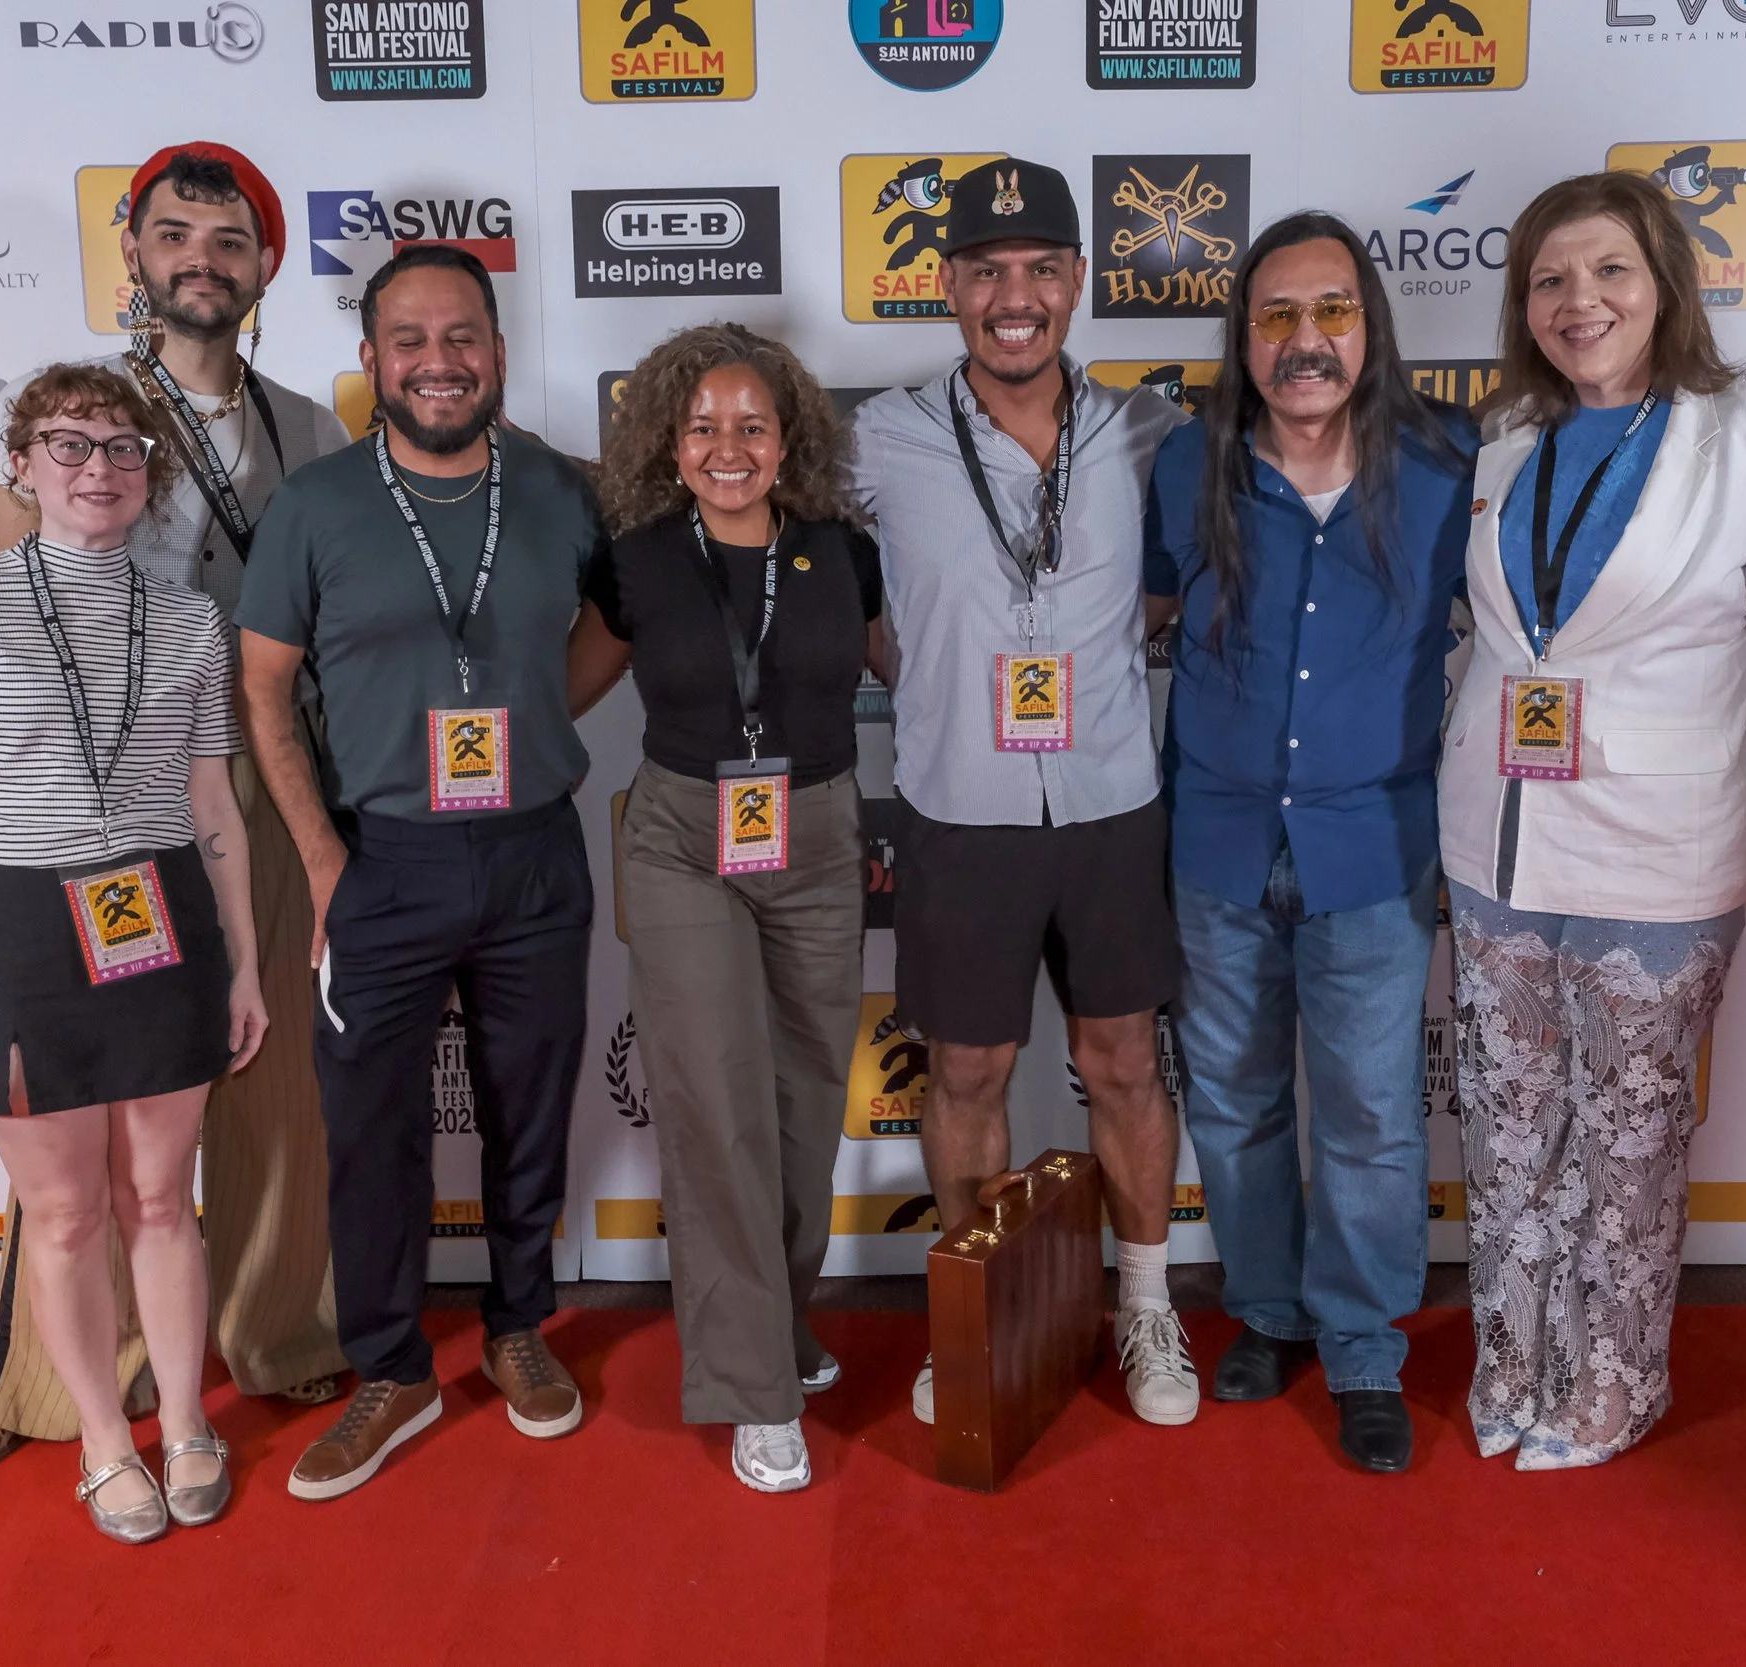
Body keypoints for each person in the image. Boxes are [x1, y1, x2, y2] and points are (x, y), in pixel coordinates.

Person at [0, 142, 355, 1474]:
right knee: (80, 1101)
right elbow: (12, 619)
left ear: (265, 263)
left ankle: (278, 1330)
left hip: (265, 774)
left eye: (230, 241)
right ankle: (61, 1382)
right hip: (103, 802)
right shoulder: (66, 413)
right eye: (175, 234)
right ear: (133, 251)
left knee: (270, 1067)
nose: (201, 260)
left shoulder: (312, 427)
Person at [1444, 171, 1746, 1469]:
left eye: (1610, 269)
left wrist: (1738, 788)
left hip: (1663, 856)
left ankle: (1612, 1385)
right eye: (1550, 279)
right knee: (1509, 1131)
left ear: (1667, 282)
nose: (1580, 300)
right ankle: (1512, 1361)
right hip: (1497, 844)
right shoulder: (1505, 439)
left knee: (1627, 1144)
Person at [237, 244, 606, 1499]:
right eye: (410, 339)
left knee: (529, 1109)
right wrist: (323, 858)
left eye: (462, 338)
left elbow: (616, 622)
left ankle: (517, 1323)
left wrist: (537, 723)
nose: (437, 362)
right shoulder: (316, 504)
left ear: (497, 351)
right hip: (380, 857)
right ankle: (390, 1367)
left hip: (533, 852)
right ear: (371, 359)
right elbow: (263, 686)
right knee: (370, 1130)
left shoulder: (558, 489)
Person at [0, 363, 268, 1542]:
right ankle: (106, 1438)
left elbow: (212, 803)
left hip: (162, 915)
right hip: (15, 924)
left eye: (121, 448)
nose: (97, 467)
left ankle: (187, 1420)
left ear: (149, 473)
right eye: (68, 444)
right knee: (62, 1213)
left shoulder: (192, 618)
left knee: (159, 1195)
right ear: (21, 464)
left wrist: (244, 963)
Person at [851, 157, 1197, 1429]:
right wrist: (923, 672)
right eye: (988, 269)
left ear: (1077, 282)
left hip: (1109, 803)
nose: (1016, 295)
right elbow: (799, 563)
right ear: (946, 285)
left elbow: (1179, 587)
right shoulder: (877, 436)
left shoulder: (1148, 432)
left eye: (1041, 268)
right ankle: (975, 1314)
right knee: (967, 1071)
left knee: (1125, 1061)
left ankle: (1146, 1303)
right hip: (960, 807)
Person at [1144, 214, 1476, 1473]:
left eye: (1331, 311)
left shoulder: (1448, 462)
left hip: (1372, 849)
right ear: (1243, 337)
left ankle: (1362, 1348)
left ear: (1369, 328)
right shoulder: (1189, 462)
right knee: (1232, 1100)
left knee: (1371, 1115)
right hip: (1217, 842)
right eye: (1276, 315)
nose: (1305, 340)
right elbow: (1142, 613)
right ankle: (1271, 1310)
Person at [569, 324, 884, 1494]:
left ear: (788, 437)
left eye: (751, 424)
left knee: (804, 1103)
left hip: (820, 831)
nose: (728, 446)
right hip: (682, 841)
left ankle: (777, 1320)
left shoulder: (844, 553)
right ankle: (755, 1389)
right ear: (669, 441)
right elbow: (558, 691)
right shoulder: (636, 561)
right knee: (717, 1106)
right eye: (702, 426)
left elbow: (916, 668)